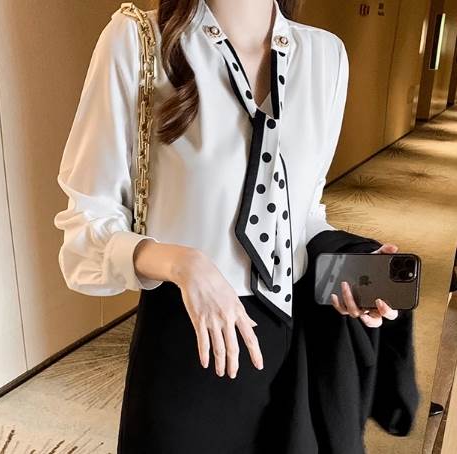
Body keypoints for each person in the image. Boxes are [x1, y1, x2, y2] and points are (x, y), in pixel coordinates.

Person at [53, 0, 401, 452]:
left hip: (287, 353)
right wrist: (183, 264)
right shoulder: (137, 41)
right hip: (186, 348)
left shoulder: (326, 56)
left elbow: (304, 214)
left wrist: (348, 263)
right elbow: (86, 227)